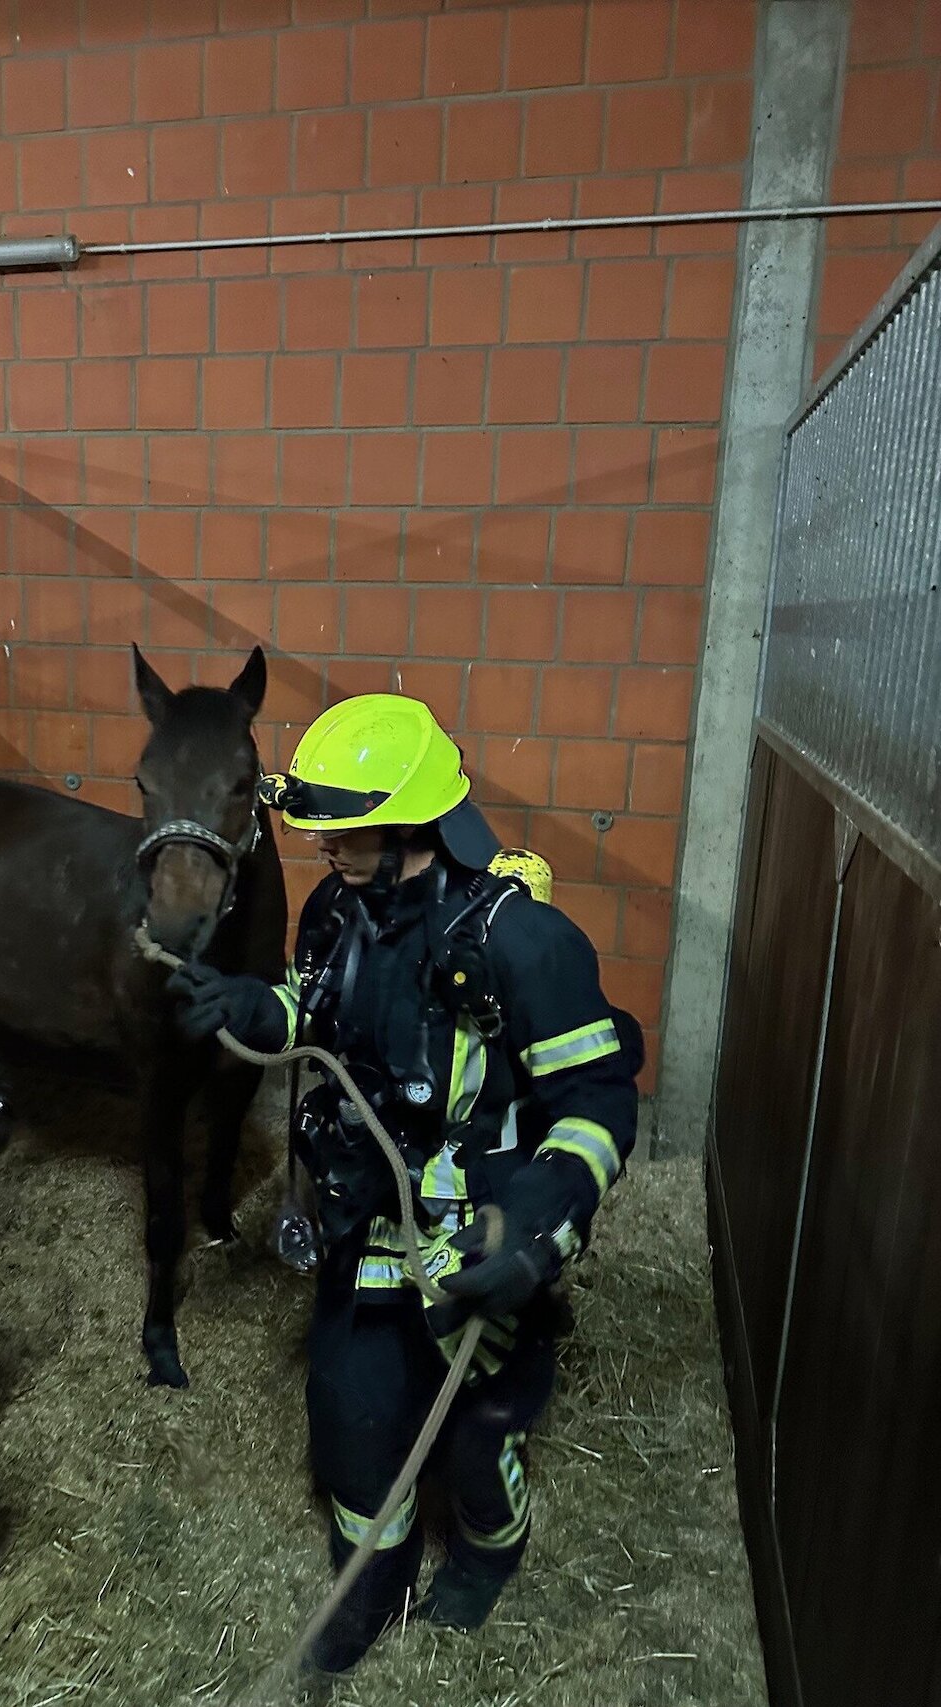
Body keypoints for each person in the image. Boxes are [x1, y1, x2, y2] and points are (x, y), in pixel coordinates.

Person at [167, 694, 640, 1684]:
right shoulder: (336, 908)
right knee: (350, 1419)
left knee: (478, 1434)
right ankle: (366, 1589)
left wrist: (537, 1224)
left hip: (481, 1241)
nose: (326, 845)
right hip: (364, 1223)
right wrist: (253, 1005)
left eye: (345, 830)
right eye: (321, 830)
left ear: (412, 823)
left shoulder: (521, 943)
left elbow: (596, 1103)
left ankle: (484, 1549)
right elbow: (310, 1007)